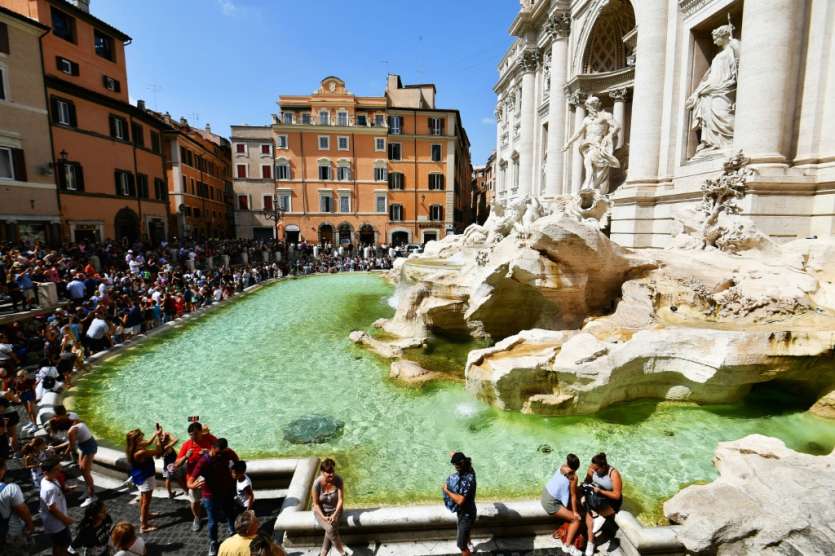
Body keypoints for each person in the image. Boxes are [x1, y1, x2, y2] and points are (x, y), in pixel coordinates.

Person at [188, 438, 238, 556]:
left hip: (227, 491)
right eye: (218, 453)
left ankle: (232, 531)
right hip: (210, 495)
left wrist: (234, 472)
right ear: (212, 448)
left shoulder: (227, 452)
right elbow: (190, 481)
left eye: (222, 453)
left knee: (230, 514)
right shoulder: (204, 461)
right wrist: (193, 485)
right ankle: (213, 542)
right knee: (212, 521)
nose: (219, 455)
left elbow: (236, 460)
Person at [176, 420, 218, 532]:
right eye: (190, 435)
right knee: (194, 501)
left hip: (209, 476)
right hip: (194, 479)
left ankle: (214, 513)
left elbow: (220, 450)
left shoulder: (209, 439)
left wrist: (209, 452)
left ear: (201, 432)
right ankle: (197, 518)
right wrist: (185, 457)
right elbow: (176, 464)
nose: (192, 437)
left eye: (195, 434)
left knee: (213, 497)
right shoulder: (186, 445)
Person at [50, 414, 98, 507]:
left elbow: (71, 447)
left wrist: (63, 455)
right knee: (82, 469)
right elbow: (71, 442)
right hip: (83, 445)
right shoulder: (75, 422)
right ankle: (88, 491)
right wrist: (57, 448)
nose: (61, 431)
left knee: (85, 472)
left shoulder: (71, 431)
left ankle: (92, 496)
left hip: (89, 447)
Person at [125, 427, 165, 533]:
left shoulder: (132, 448)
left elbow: (148, 443)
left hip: (139, 476)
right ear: (137, 441)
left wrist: (155, 434)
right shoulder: (141, 452)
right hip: (146, 477)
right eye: (141, 438)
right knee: (146, 501)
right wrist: (158, 438)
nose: (144, 440)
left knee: (143, 498)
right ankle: (144, 526)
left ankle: (145, 516)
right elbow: (159, 451)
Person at [541, 454, 582, 555]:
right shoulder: (573, 477)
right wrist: (575, 512)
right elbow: (573, 496)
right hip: (550, 503)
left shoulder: (562, 467)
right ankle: (567, 546)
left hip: (545, 495)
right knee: (576, 520)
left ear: (567, 462)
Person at [583, 453, 623, 556]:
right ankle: (591, 541)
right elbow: (587, 481)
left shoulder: (613, 474)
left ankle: (591, 541)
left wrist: (601, 491)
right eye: (593, 468)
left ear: (604, 466)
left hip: (611, 501)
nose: (594, 470)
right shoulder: (592, 468)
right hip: (596, 497)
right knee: (589, 504)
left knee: (590, 508)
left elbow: (617, 496)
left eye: (597, 469)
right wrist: (587, 483)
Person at [310, 458, 348, 556]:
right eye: (328, 472)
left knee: (330, 529)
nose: (332, 474)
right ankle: (343, 553)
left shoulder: (338, 480)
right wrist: (323, 517)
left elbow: (340, 500)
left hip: (336, 510)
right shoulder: (316, 484)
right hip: (320, 511)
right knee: (331, 529)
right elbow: (315, 504)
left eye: (333, 471)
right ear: (322, 472)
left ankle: (324, 553)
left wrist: (334, 515)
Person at [442, 451, 477, 556]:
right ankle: (469, 542)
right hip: (469, 510)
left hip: (466, 515)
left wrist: (446, 490)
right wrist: (453, 454)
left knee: (461, 545)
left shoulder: (468, 480)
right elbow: (455, 455)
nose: (455, 467)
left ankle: (466, 546)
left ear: (461, 463)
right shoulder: (470, 469)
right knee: (466, 531)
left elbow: (460, 500)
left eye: (456, 465)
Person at [0, 457, 35, 556]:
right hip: (11, 534)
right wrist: (30, 526)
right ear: (3, 469)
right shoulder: (10, 489)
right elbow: (23, 511)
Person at [40, 458, 73, 556]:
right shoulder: (50, 488)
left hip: (55, 522)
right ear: (46, 472)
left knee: (58, 544)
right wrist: (66, 520)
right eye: (56, 469)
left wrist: (66, 490)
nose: (60, 471)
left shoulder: (48, 479)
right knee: (62, 545)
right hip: (58, 524)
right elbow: (52, 509)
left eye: (59, 468)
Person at [218, 510, 285, 556]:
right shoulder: (258, 547)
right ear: (248, 530)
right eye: (256, 522)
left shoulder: (224, 544)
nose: (259, 524)